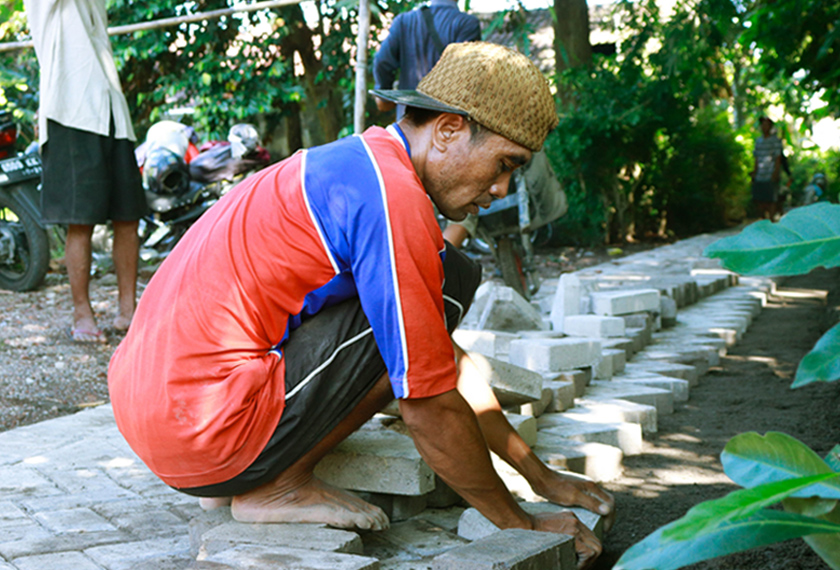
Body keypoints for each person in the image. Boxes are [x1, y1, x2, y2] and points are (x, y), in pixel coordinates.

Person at [108, 42, 614, 569]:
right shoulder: (393, 200)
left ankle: (238, 470)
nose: (503, 187)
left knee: (433, 295)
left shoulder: (354, 165)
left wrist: (539, 476)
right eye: (505, 163)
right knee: (438, 290)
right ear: (446, 129)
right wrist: (522, 524)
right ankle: (274, 485)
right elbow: (429, 400)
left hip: (158, 415)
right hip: (199, 430)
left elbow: (441, 358)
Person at [24, 0, 149, 342]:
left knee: (128, 216)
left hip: (111, 110)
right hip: (71, 110)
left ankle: (130, 311)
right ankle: (82, 315)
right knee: (80, 219)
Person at [373, 0, 481, 118]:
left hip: (407, 118)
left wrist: (383, 96)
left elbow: (382, 61)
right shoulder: (468, 24)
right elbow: (467, 74)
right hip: (446, 122)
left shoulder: (404, 22)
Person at [750, 116, 784, 220]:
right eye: (762, 124)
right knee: (760, 199)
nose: (764, 127)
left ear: (770, 126)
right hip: (760, 174)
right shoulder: (758, 141)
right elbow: (757, 158)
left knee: (771, 199)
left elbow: (778, 158)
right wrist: (754, 172)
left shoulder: (775, 141)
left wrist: (776, 172)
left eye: (766, 124)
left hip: (770, 173)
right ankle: (763, 220)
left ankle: (772, 220)